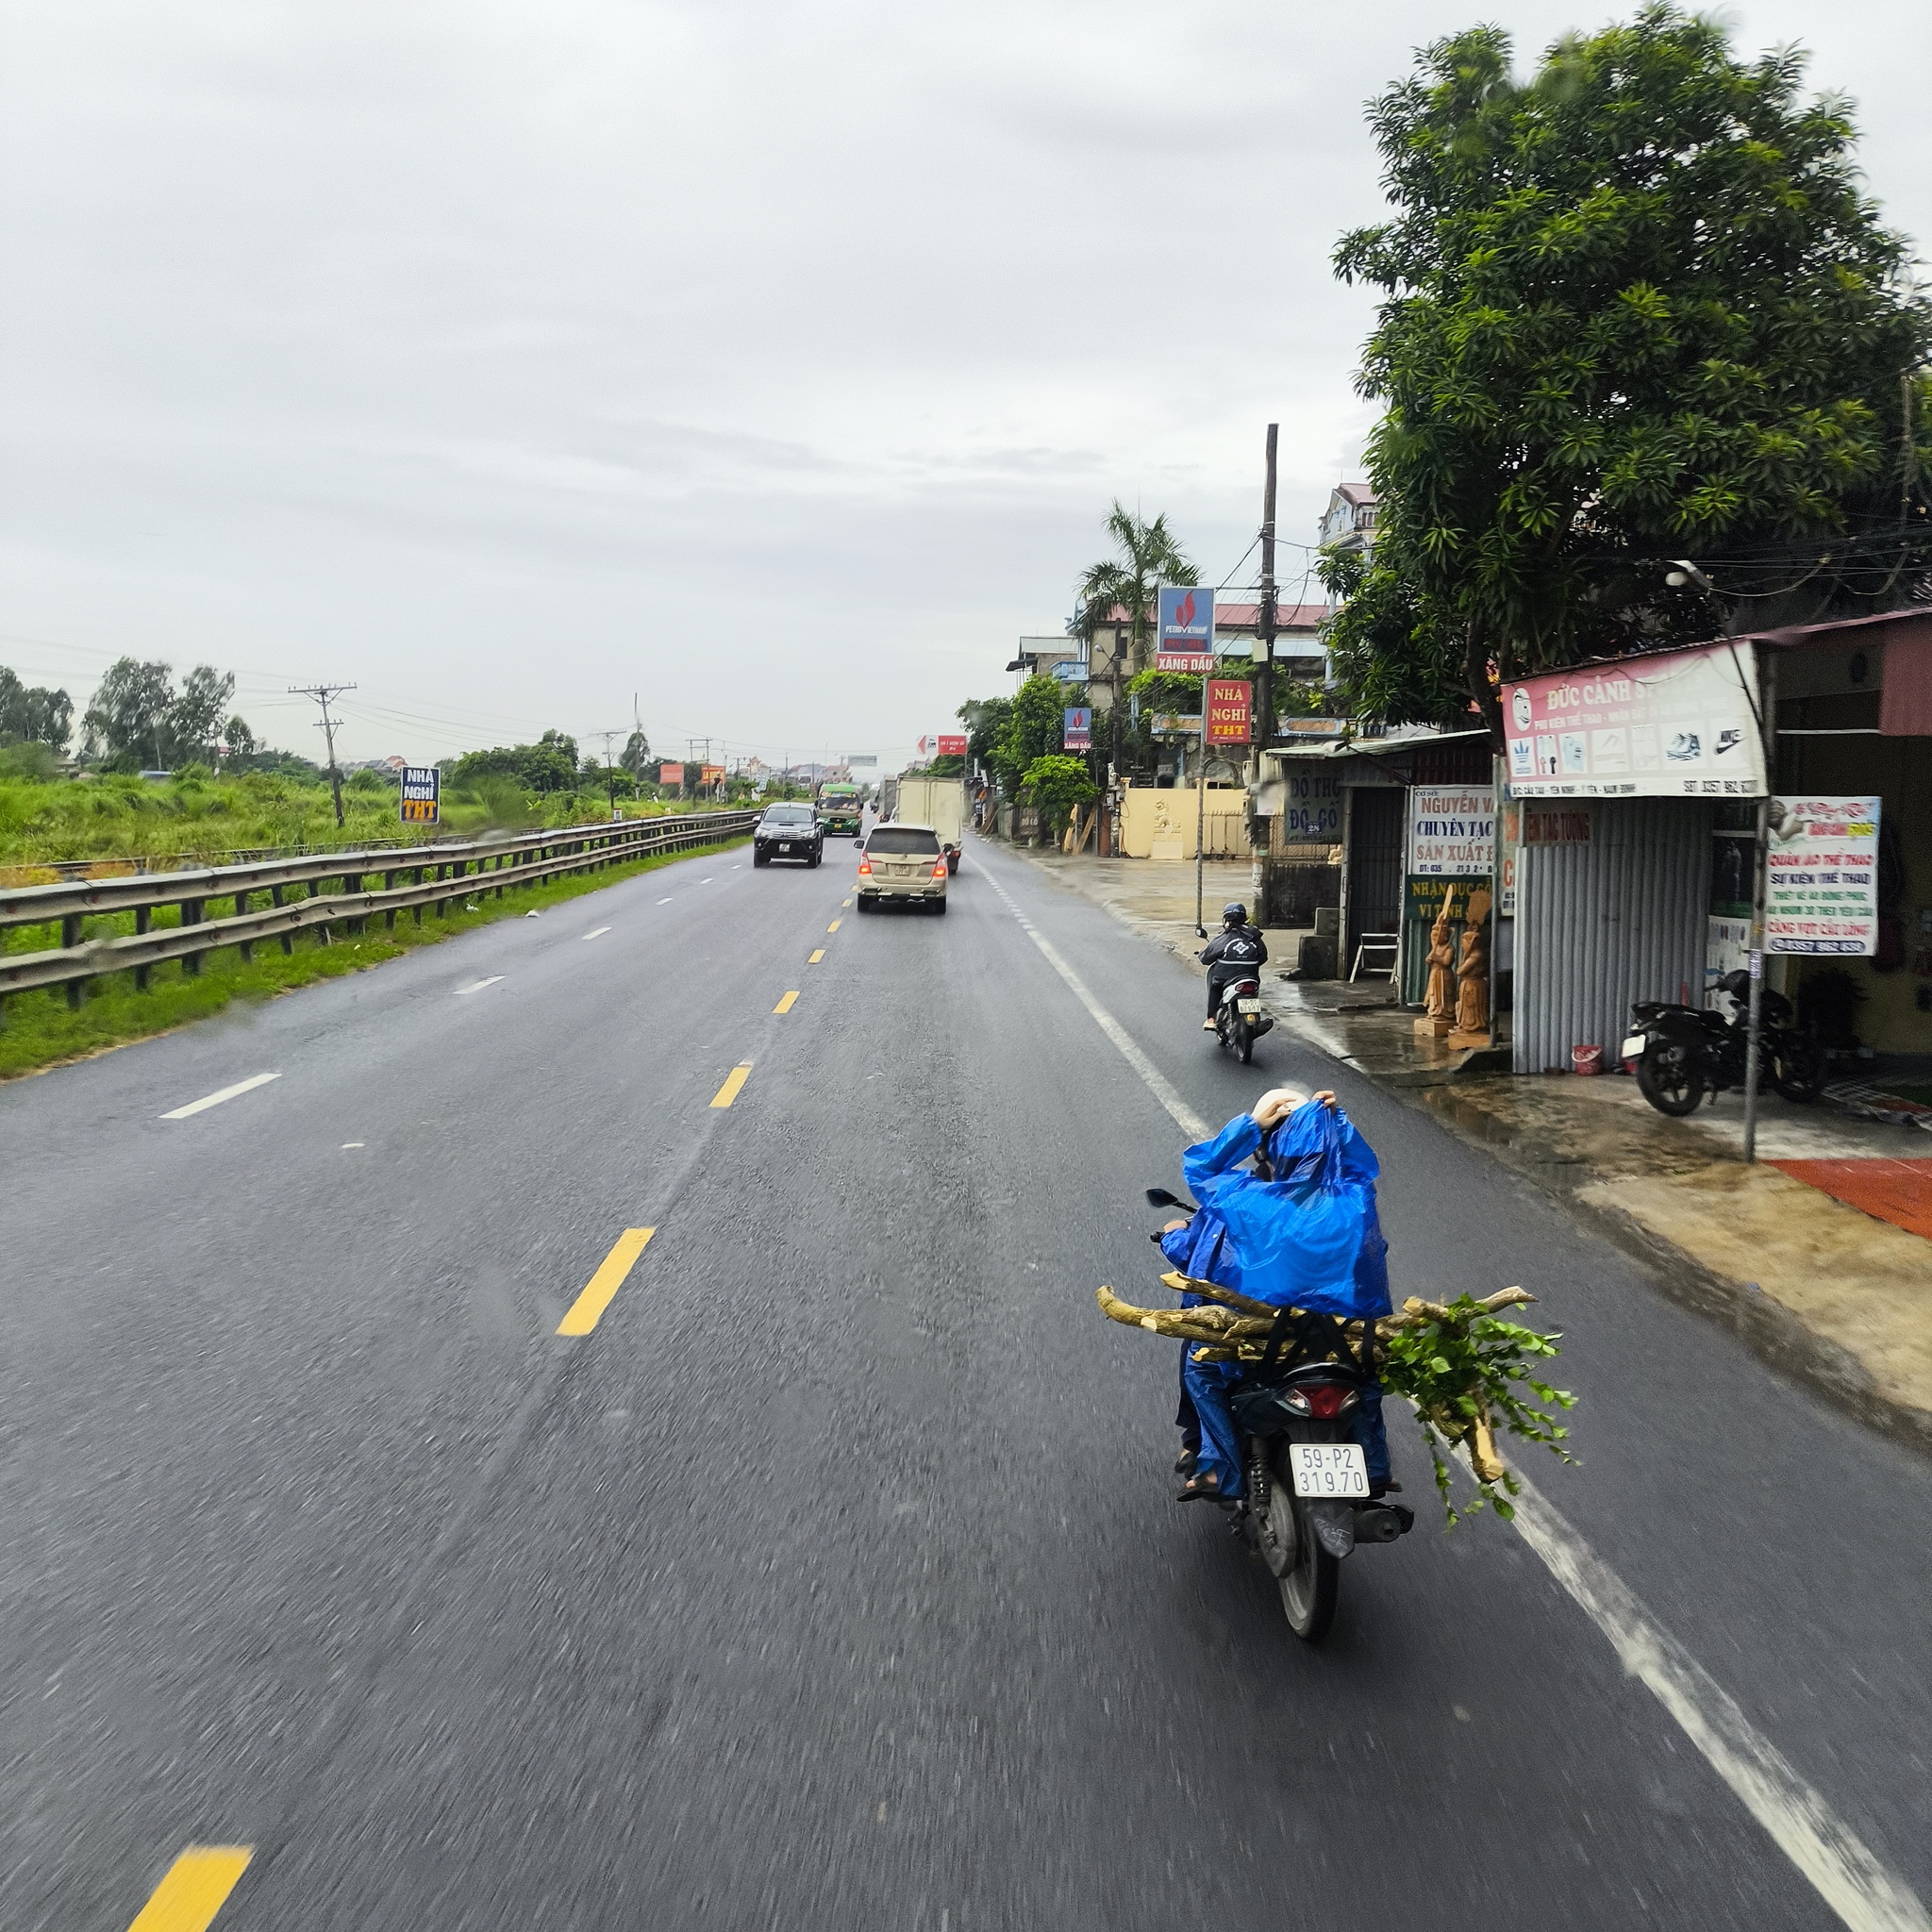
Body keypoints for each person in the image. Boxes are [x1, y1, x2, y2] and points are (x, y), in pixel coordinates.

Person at [1161, 1086, 1395, 1503]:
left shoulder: (1245, 1201)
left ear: (1266, 1151)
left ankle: (1221, 1470)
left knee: (1201, 1369)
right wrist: (1334, 1122)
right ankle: (1374, 1468)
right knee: (1369, 1379)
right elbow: (1363, 1165)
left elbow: (1200, 1169)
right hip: (1346, 1344)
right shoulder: (1356, 1198)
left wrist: (1251, 1124)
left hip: (1266, 1347)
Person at [1199, 902, 1268, 1029]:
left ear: (1226, 919)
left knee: (1215, 988)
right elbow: (1263, 957)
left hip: (1224, 978)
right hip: (1251, 977)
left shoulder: (1223, 938)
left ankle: (1211, 1019)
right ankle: (1256, 1018)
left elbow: (1206, 958)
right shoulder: (1255, 936)